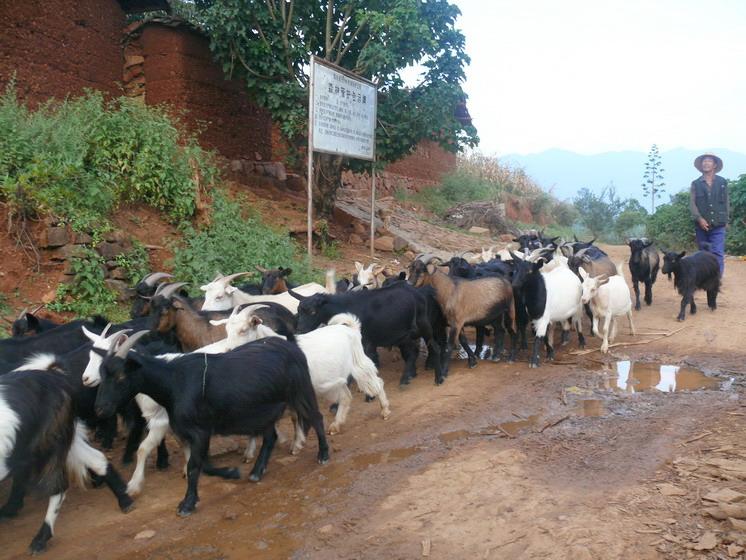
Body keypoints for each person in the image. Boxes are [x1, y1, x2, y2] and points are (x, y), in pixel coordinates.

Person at [690, 152, 729, 276]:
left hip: (719, 224)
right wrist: (699, 219)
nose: (706, 163)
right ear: (701, 165)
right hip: (700, 225)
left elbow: (727, 202)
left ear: (715, 165)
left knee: (717, 252)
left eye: (709, 161)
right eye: (704, 161)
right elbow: (692, 204)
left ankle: (716, 279)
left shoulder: (723, 182)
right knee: (703, 253)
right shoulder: (695, 183)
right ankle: (705, 277)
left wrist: (726, 220)